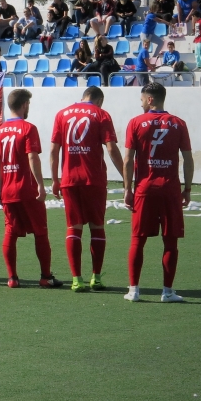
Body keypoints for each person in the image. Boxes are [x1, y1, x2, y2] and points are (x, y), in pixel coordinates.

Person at [123, 83, 193, 303]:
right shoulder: (178, 123)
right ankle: (167, 292)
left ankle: (134, 290)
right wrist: (187, 188)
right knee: (170, 242)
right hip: (170, 189)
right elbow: (188, 158)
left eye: (142, 99)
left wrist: (127, 188)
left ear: (150, 99)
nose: (141, 103)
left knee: (137, 239)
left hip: (145, 189)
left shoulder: (135, 122)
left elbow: (128, 159)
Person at [51, 86, 124, 292]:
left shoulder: (62, 114)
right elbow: (111, 148)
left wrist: (55, 178)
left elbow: (54, 150)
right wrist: (127, 176)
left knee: (74, 227)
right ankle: (97, 277)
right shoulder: (101, 114)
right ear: (99, 100)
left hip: (69, 179)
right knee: (97, 227)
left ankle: (76, 279)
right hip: (94, 179)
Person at [0, 89, 62, 289]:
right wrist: (40, 184)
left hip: (8, 189)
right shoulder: (28, 128)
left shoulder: (0, 131)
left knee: (10, 232)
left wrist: (0, 188)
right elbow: (32, 157)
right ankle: (45, 277)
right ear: (24, 105)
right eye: (28, 104)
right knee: (40, 232)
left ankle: (12, 278)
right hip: (27, 189)